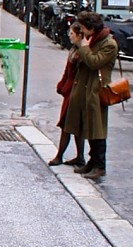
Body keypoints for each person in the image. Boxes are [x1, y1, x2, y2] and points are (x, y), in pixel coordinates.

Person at [65, 11, 119, 181]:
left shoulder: (108, 44)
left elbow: (95, 62)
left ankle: (100, 165)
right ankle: (91, 161)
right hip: (84, 89)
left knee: (97, 128)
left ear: (90, 28)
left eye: (82, 27)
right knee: (87, 127)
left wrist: (84, 48)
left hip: (96, 90)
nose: (80, 31)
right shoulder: (91, 40)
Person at [47, 24, 85, 167]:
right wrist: (62, 85)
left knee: (68, 125)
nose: (70, 35)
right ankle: (79, 156)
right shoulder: (74, 50)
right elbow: (67, 71)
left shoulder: (81, 53)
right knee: (74, 126)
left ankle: (60, 156)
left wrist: (64, 86)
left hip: (75, 93)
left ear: (80, 35)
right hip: (69, 91)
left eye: (72, 33)